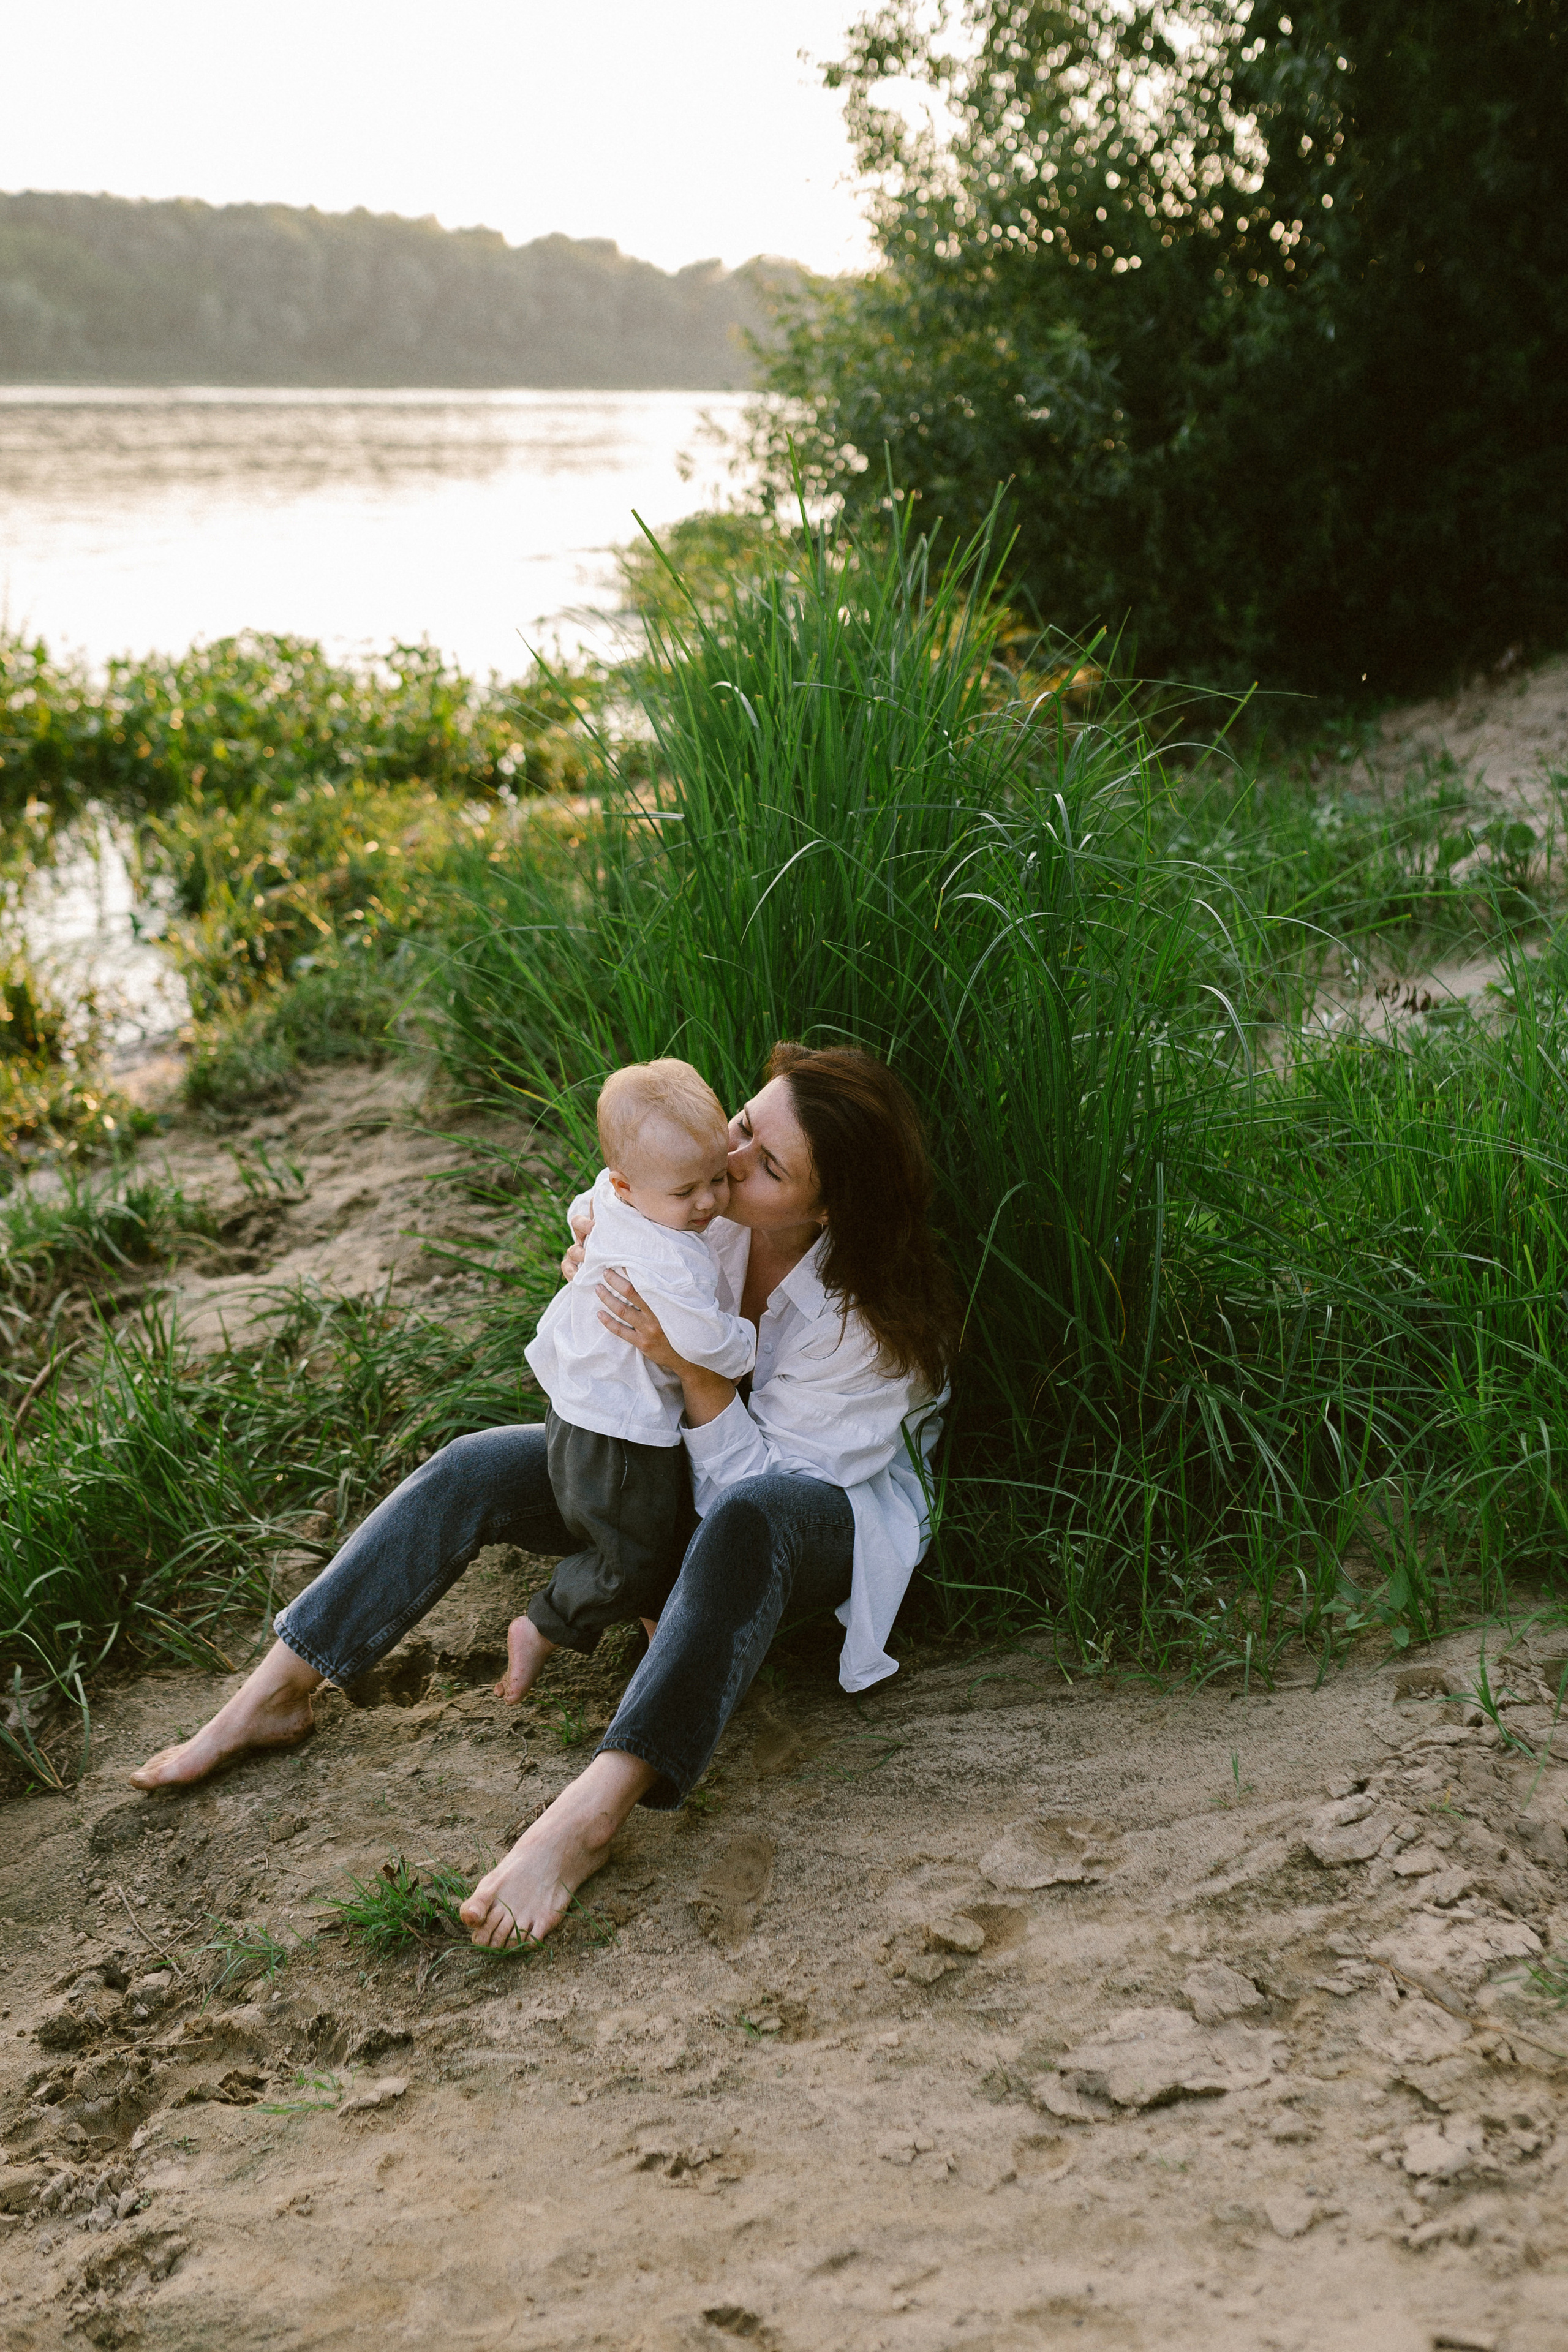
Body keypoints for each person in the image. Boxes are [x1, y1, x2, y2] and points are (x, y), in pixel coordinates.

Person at [130, 1042, 960, 1951]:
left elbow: (749, 1489)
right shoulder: (703, 1207)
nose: (728, 1161)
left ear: (829, 1206)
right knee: (477, 1464)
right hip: (666, 1471)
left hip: (805, 1519)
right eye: (743, 1126)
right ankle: (279, 1689)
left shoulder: (865, 1327)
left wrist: (689, 1369)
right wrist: (594, 1267)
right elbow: (610, 1214)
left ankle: (593, 1813)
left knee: (745, 1523)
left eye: (766, 1166)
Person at [511, 1057, 755, 1700]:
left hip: (581, 1408)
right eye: (686, 1193)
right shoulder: (669, 1262)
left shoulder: (618, 1198)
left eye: (716, 1179)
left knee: (662, 1530)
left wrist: (583, 1233)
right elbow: (708, 1347)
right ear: (628, 1187)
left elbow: (581, 1204)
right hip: (616, 1436)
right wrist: (747, 1341)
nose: (707, 1202)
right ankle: (544, 1623)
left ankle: (660, 1637)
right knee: (630, 1559)